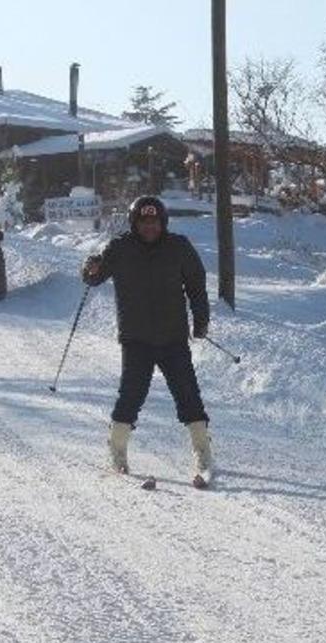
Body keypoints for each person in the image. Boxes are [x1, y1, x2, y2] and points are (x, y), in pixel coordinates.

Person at [81, 196, 213, 484]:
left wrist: (200, 320)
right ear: (134, 223)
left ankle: (203, 451)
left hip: (173, 337)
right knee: (131, 395)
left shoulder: (179, 247)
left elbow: (197, 286)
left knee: (188, 394)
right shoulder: (120, 248)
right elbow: (95, 277)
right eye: (144, 222)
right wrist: (89, 267)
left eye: (155, 222)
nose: (150, 227)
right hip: (136, 338)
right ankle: (117, 450)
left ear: (163, 223)